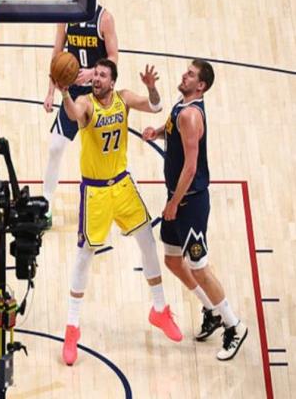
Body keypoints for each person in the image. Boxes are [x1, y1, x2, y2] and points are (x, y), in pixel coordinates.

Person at [57, 59, 183, 366]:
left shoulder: (123, 98)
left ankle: (159, 309)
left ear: (112, 82)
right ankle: (72, 327)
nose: (97, 79)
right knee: (85, 255)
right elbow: (73, 114)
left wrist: (151, 88)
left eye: (102, 75)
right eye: (95, 75)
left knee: (148, 242)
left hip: (122, 184)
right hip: (96, 191)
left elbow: (155, 107)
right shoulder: (86, 103)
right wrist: (64, 93)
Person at [142, 59, 248, 361]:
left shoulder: (190, 115)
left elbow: (190, 167)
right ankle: (212, 310)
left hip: (190, 203)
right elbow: (172, 129)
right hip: (178, 199)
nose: (184, 75)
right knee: (173, 261)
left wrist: (174, 203)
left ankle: (234, 325)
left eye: (190, 74)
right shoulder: (182, 104)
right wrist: (157, 132)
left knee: (199, 267)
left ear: (200, 86)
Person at [43, 5, 118, 227]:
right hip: (73, 94)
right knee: (55, 147)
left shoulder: (104, 18)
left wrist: (93, 72)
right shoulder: (66, 16)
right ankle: (46, 202)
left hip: (98, 94)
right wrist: (50, 92)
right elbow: (57, 57)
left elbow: (113, 57)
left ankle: (116, 198)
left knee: (104, 154)